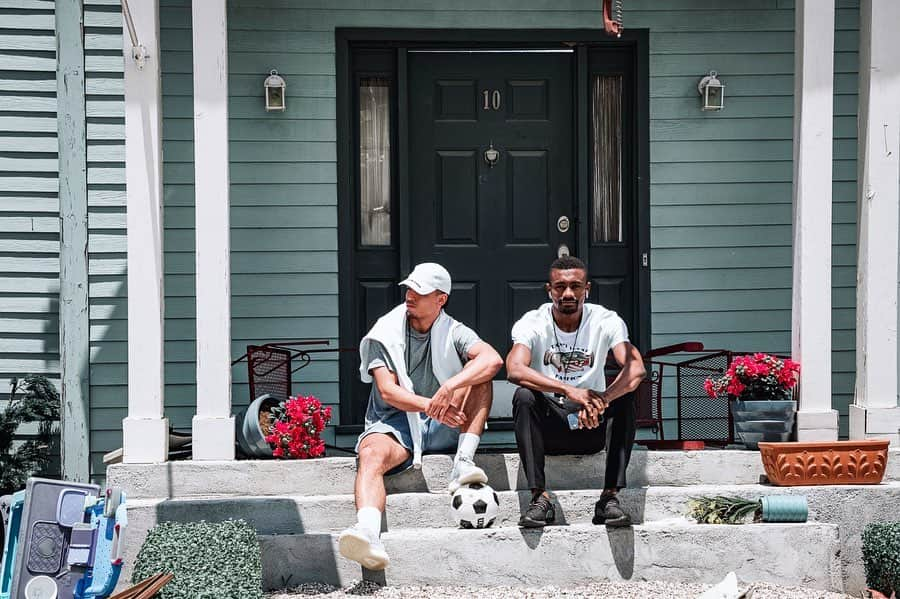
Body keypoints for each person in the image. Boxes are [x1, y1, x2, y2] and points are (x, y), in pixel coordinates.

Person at [338, 262, 503, 570]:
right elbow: (387, 392)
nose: (410, 296)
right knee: (370, 453)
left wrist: (451, 385)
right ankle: (368, 533)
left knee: (481, 375)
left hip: (444, 419)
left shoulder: (454, 330)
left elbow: (493, 359)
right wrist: (430, 404)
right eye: (409, 288)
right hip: (395, 423)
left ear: (441, 299)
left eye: (421, 292)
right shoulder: (384, 333)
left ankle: (463, 462)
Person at [506, 255, 646, 528]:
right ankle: (540, 498)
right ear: (549, 290)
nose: (567, 293)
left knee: (625, 396)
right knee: (523, 395)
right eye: (559, 287)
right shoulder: (532, 322)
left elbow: (636, 367)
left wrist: (602, 400)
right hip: (549, 428)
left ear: (587, 289)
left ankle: (609, 498)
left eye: (575, 286)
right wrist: (570, 390)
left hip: (591, 424)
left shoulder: (606, 320)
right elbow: (514, 368)